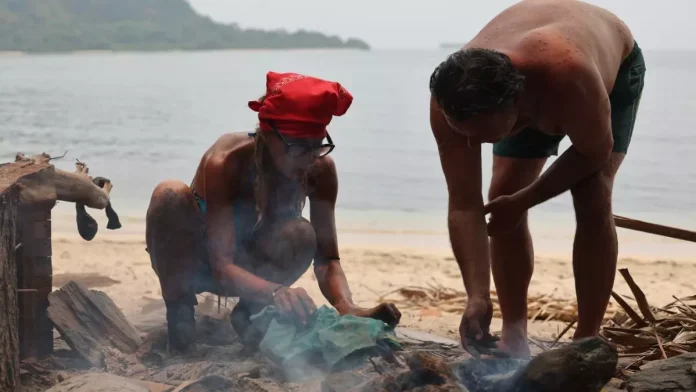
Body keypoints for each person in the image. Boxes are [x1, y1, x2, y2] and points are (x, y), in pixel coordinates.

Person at [428, 0, 646, 358]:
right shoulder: (448, 104)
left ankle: (586, 340)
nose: (472, 145)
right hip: (526, 87)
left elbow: (595, 152)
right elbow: (465, 203)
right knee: (502, 194)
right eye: (466, 134)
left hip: (611, 65)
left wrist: (524, 201)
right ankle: (514, 335)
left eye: (485, 135)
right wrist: (477, 296)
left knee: (593, 194)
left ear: (517, 103)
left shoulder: (569, 75)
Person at [146, 71, 401, 352]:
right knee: (168, 194)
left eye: (316, 146)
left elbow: (328, 259)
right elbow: (222, 267)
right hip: (197, 264)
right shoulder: (225, 161)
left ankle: (250, 315)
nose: (308, 159)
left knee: (301, 233)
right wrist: (276, 291)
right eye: (297, 147)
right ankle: (180, 323)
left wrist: (346, 306)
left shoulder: (320, 169)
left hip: (254, 271)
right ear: (267, 134)